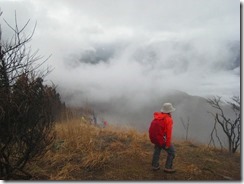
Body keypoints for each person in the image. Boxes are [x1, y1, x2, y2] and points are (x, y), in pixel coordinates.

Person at [149, 102, 176, 173]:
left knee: (157, 150)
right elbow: (168, 133)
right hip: (162, 139)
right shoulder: (168, 119)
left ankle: (155, 166)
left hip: (157, 138)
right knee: (172, 152)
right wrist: (167, 144)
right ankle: (168, 167)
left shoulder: (158, 116)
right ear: (169, 111)